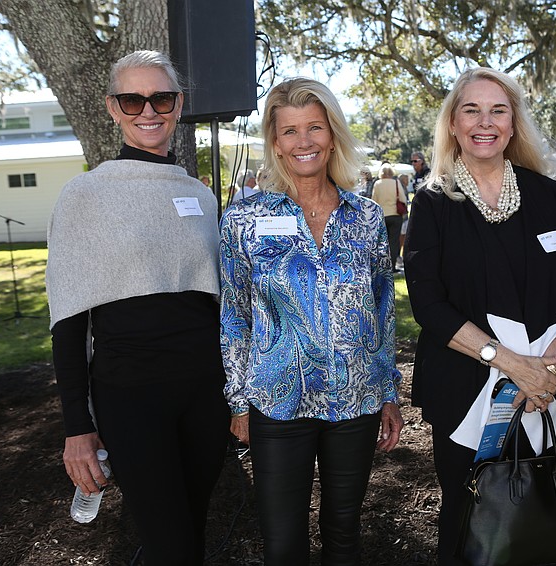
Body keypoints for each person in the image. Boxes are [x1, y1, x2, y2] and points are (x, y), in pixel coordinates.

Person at [45, 50, 229, 565]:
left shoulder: (200, 195)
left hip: (206, 395)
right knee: (171, 543)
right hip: (130, 397)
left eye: (161, 98)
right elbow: (68, 318)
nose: (148, 111)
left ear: (178, 104)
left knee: (188, 529)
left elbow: (221, 304)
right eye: (133, 99)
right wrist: (77, 428)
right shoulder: (85, 195)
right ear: (112, 107)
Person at [220, 77, 404, 566]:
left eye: (315, 128)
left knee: (344, 536)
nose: (304, 141)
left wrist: (389, 393)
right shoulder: (244, 219)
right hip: (278, 404)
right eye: (290, 131)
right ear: (275, 144)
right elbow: (235, 315)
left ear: (333, 135)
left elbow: (383, 309)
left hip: (356, 402)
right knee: (283, 545)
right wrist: (240, 401)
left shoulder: (364, 216)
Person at [404, 67, 556, 566]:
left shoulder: (549, 195)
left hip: (544, 387)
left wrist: (548, 364)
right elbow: (428, 304)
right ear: (453, 125)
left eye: (498, 110)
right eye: (471, 110)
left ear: (513, 122)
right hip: (465, 388)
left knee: (536, 508)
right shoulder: (433, 203)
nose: (486, 122)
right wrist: (509, 363)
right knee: (468, 514)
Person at [371, 163, 408, 272]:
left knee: (382, 242)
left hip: (382, 215)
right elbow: (403, 199)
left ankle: (382, 265)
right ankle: (392, 266)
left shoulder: (377, 184)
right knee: (394, 241)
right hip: (395, 215)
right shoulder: (396, 183)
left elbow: (374, 200)